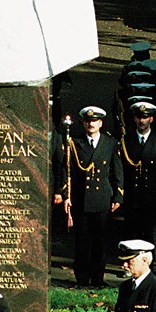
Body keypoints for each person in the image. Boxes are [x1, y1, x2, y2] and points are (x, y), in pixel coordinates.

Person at [63, 106, 123, 287]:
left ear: (101, 123)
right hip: (81, 199)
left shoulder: (110, 143)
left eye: (95, 121)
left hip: (102, 199)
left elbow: (117, 171)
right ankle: (81, 278)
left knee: (100, 242)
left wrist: (118, 196)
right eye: (88, 121)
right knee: (82, 242)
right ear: (83, 123)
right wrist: (67, 195)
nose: (91, 124)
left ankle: (98, 278)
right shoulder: (75, 143)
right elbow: (68, 171)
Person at [119, 102, 156, 273]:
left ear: (151, 118)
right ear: (134, 119)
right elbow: (122, 168)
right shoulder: (126, 140)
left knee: (153, 234)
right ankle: (130, 267)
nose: (141, 120)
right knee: (132, 232)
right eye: (138, 117)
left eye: (145, 117)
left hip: (153, 196)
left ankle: (154, 266)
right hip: (133, 195)